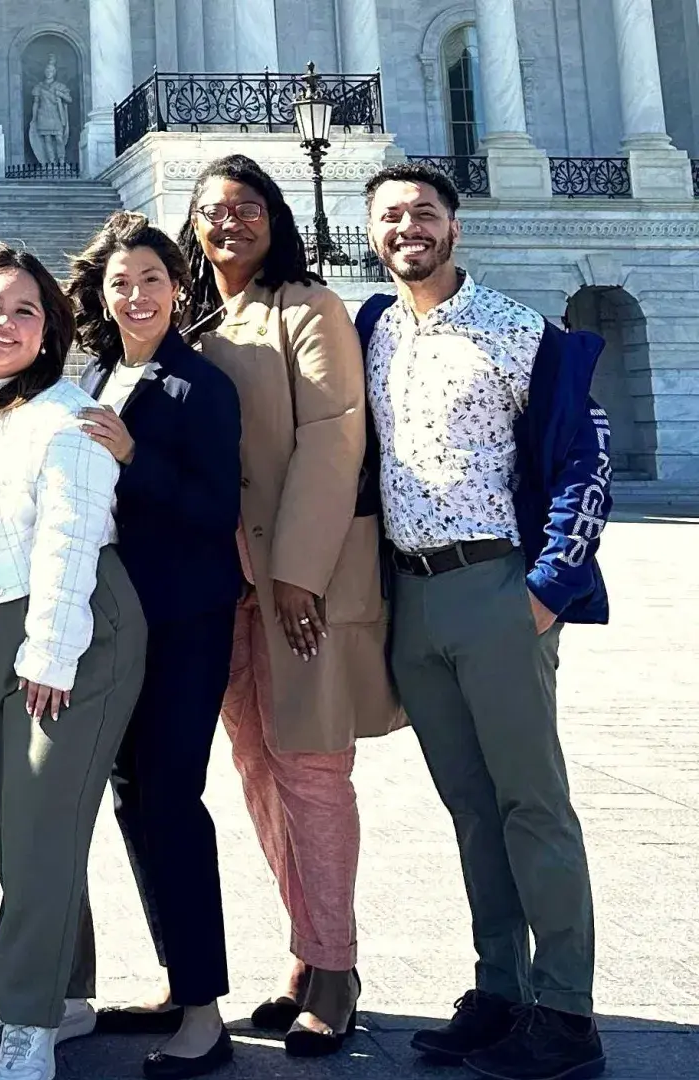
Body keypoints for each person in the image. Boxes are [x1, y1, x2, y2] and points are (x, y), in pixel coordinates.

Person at [358, 162, 611, 1080]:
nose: (408, 227)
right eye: (391, 216)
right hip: (413, 599)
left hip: (499, 587)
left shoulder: (518, 330)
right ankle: (500, 989)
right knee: (471, 810)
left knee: (532, 803)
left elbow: (588, 457)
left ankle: (569, 1012)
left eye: (425, 212)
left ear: (454, 227)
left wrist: (547, 588)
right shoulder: (374, 328)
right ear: (374, 234)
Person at [176, 154, 402, 1059]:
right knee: (259, 772)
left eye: (245, 209)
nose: (228, 224)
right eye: (212, 212)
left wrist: (300, 570)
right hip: (220, 587)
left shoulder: (310, 308)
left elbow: (333, 436)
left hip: (296, 585)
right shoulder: (195, 325)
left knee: (311, 767)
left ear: (275, 218)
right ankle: (306, 954)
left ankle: (338, 966)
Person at [0, 244, 146, 1080]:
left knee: (43, 828)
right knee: (13, 823)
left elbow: (73, 536)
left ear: (49, 331)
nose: (5, 324)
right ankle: (70, 989)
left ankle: (27, 1023)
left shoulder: (68, 412)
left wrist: (49, 649)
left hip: (69, 625)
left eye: (26, 311)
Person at [63, 212, 243, 1079]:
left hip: (184, 622)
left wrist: (136, 457)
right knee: (135, 800)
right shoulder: (98, 372)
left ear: (179, 289)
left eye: (151, 281)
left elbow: (216, 510)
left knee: (171, 799)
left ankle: (206, 1014)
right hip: (117, 622)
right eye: (120, 283)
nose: (136, 296)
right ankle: (181, 982)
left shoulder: (200, 384)